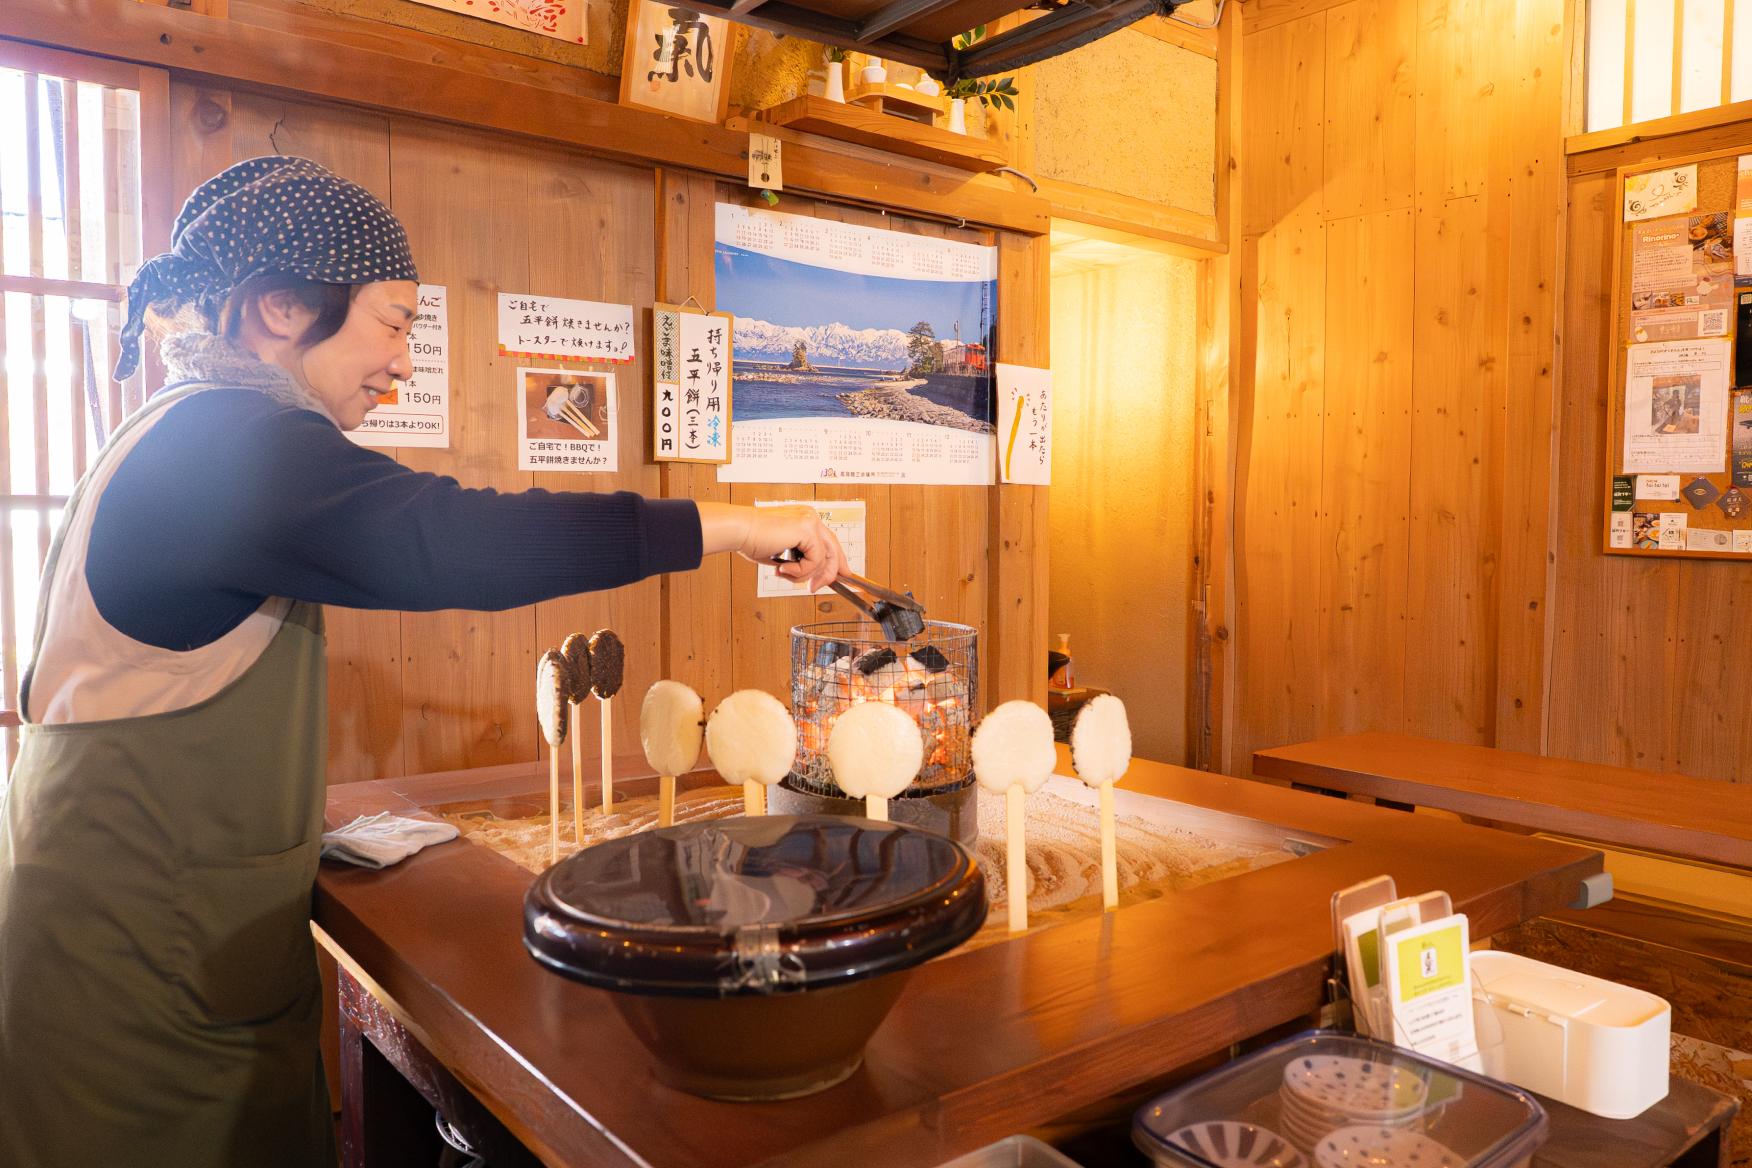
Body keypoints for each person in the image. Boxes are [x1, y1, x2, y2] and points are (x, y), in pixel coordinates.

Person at [0, 156, 843, 1167]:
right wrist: (735, 525)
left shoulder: (185, 429)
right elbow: (452, 541)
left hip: (161, 944)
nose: (401, 363)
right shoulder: (227, 447)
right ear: (280, 307)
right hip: (139, 979)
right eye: (394, 322)